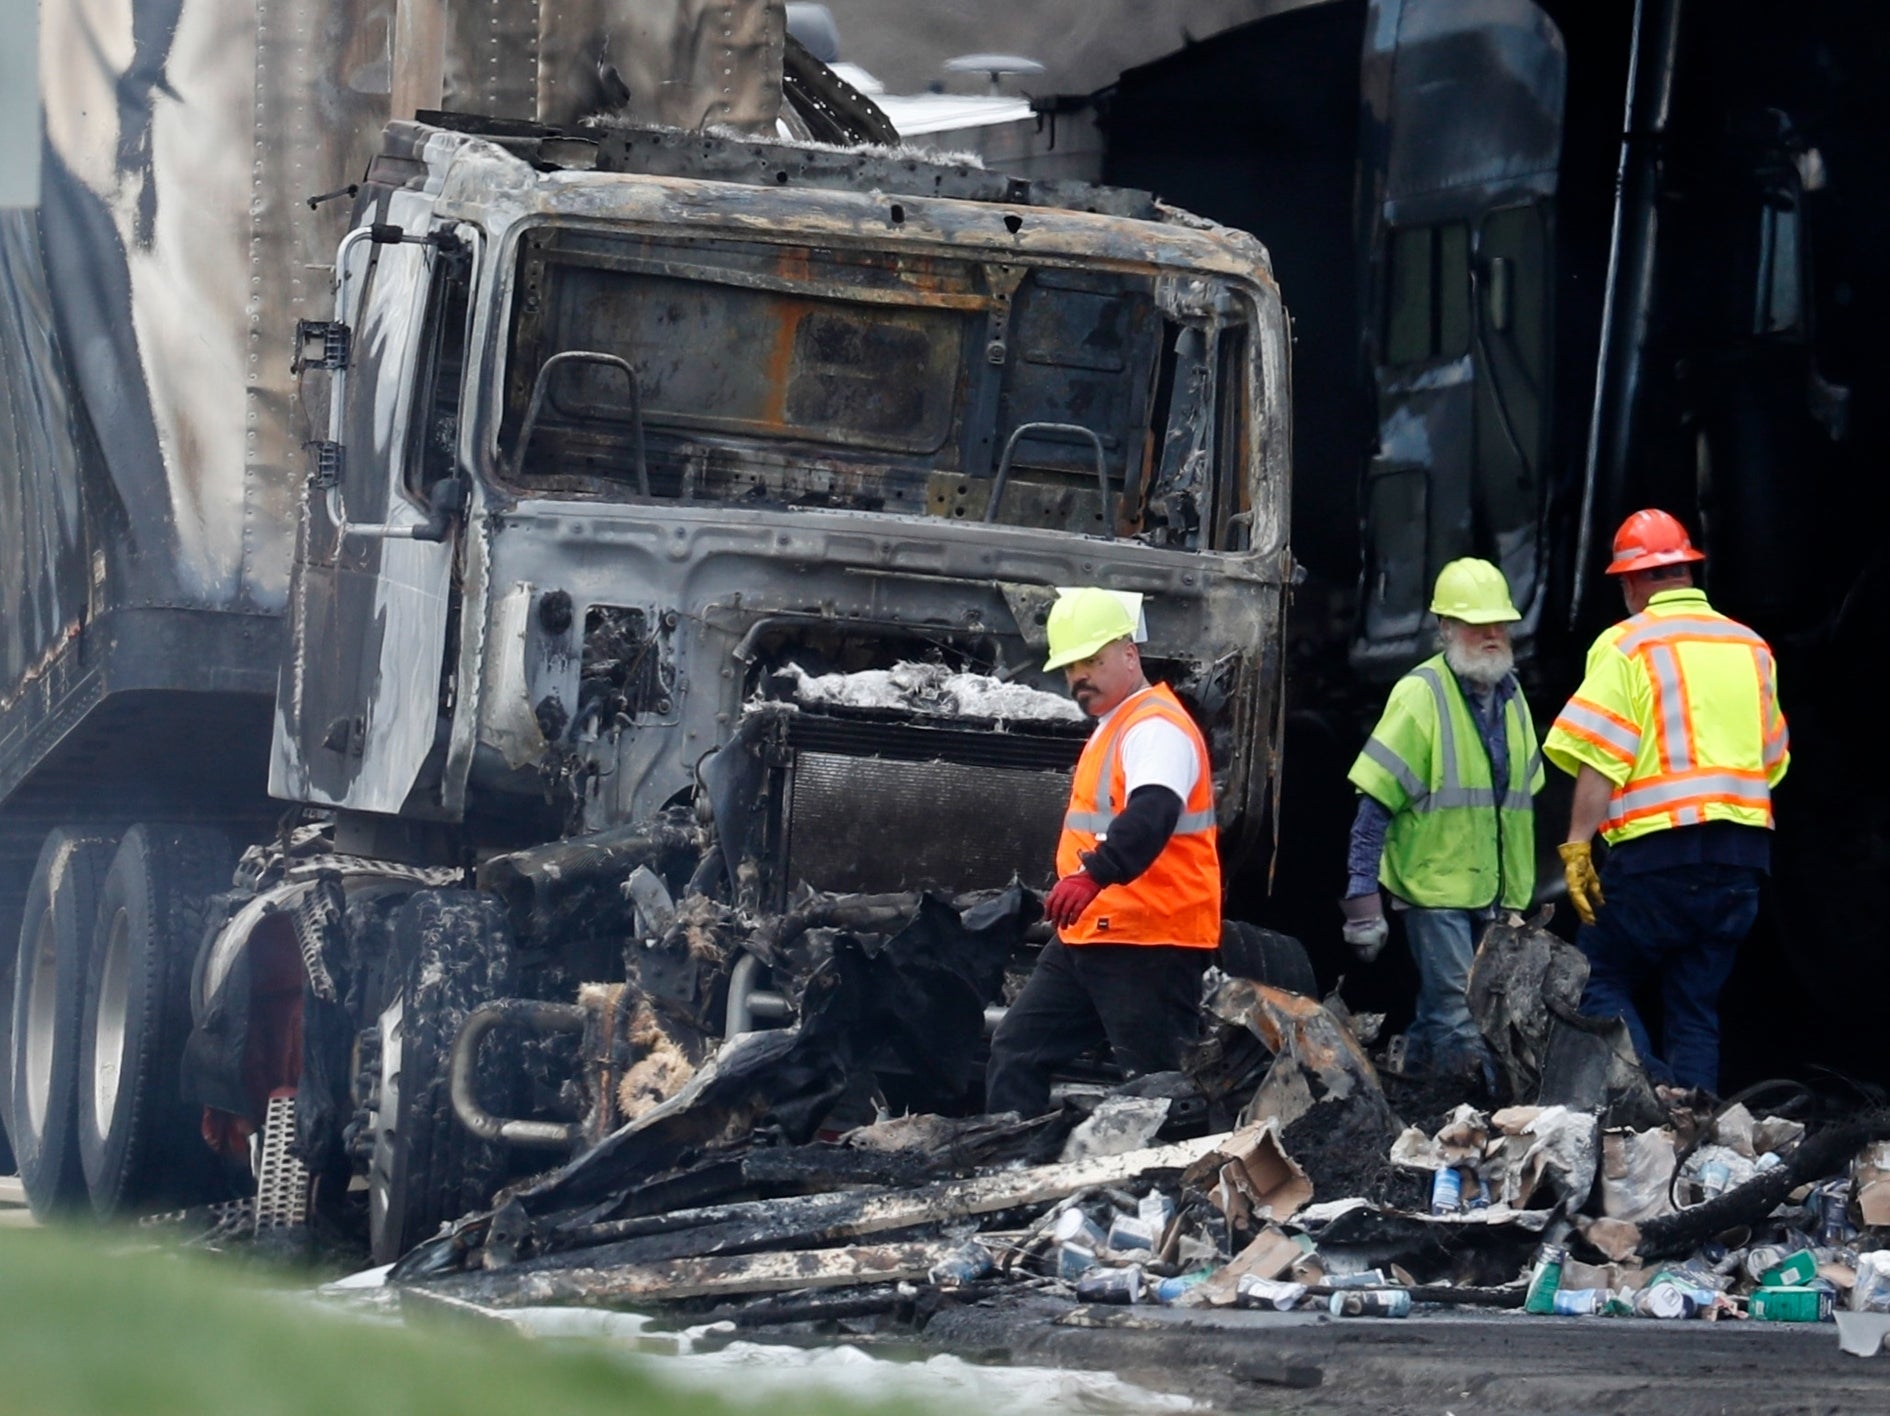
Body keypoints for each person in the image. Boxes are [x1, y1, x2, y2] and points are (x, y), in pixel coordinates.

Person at [1543, 509, 1788, 1095]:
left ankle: (1646, 1098)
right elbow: (1774, 759)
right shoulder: (1750, 646)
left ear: (1631, 582)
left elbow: (1601, 754)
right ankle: (1694, 1126)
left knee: (1597, 978)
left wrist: (1577, 849)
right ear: (1686, 572)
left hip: (1656, 858)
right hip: (1740, 859)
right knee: (1695, 1005)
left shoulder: (1626, 645)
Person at [985, 587, 1221, 1117]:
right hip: (1092, 935)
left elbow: (1152, 812)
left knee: (1164, 1090)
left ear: (1129, 654)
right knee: (1017, 1049)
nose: (1078, 678)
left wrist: (1092, 876)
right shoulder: (1117, 727)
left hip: (1149, 938)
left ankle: (1176, 1192)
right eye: (1070, 667)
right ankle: (1012, 1179)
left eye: (1091, 660)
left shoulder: (1156, 728)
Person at [1342, 559, 1544, 1078]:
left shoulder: (1513, 698)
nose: (1493, 636)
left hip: (1496, 896)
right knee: (1463, 1017)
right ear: (1446, 629)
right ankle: (1470, 1122)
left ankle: (1411, 1095)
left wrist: (1521, 900)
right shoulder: (1421, 695)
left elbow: (1519, 808)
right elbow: (1374, 805)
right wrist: (1363, 902)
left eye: (1499, 624)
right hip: (1435, 890)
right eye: (1478, 626)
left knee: (1449, 1016)